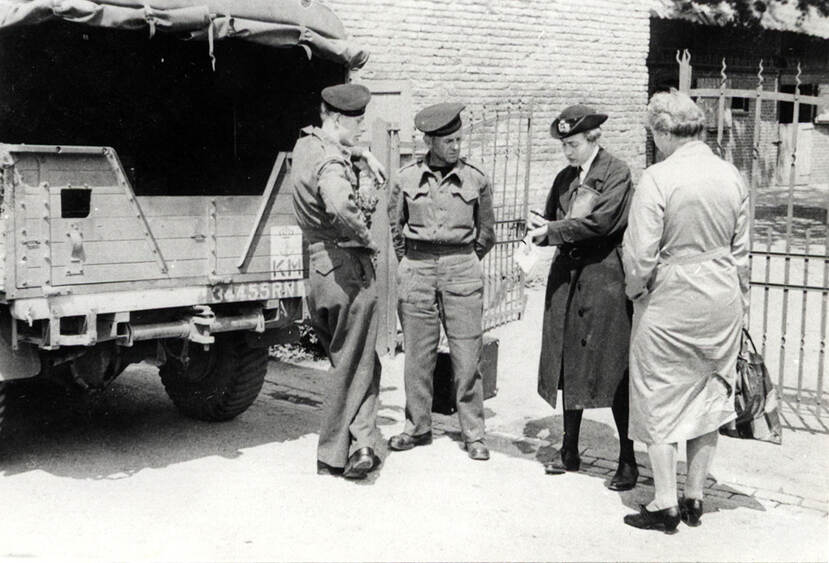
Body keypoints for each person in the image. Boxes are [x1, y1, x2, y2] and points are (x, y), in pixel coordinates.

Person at [621, 89, 749, 533]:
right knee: (709, 393)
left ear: (661, 131)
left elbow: (639, 256)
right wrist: (737, 302)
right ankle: (695, 497)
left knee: (659, 393)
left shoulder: (658, 177)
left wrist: (637, 293)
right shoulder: (731, 174)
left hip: (671, 296)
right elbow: (742, 253)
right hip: (721, 296)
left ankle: (664, 502)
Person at [526, 104, 638, 490]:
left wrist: (553, 229)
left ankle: (627, 459)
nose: (567, 152)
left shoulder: (617, 173)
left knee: (614, 365)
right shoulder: (564, 177)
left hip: (603, 276)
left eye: (572, 144)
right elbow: (552, 218)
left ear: (594, 139)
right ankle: (568, 448)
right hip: (566, 277)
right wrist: (539, 228)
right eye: (564, 145)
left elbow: (603, 223)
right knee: (567, 359)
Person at [387, 102, 496, 460]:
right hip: (417, 266)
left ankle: (474, 434)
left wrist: (462, 260)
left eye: (459, 139)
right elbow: (395, 229)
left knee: (467, 356)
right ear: (430, 141)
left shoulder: (475, 179)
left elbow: (486, 234)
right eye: (448, 140)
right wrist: (414, 261)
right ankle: (416, 426)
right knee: (418, 355)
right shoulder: (405, 179)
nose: (455, 147)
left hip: (461, 265)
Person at [291, 83, 386, 480]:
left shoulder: (306, 147)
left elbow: (330, 156)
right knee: (356, 359)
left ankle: (363, 443)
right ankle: (334, 451)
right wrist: (365, 238)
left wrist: (359, 152)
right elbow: (340, 203)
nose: (361, 128)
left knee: (353, 357)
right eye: (356, 122)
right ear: (334, 119)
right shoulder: (331, 162)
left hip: (319, 268)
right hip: (346, 265)